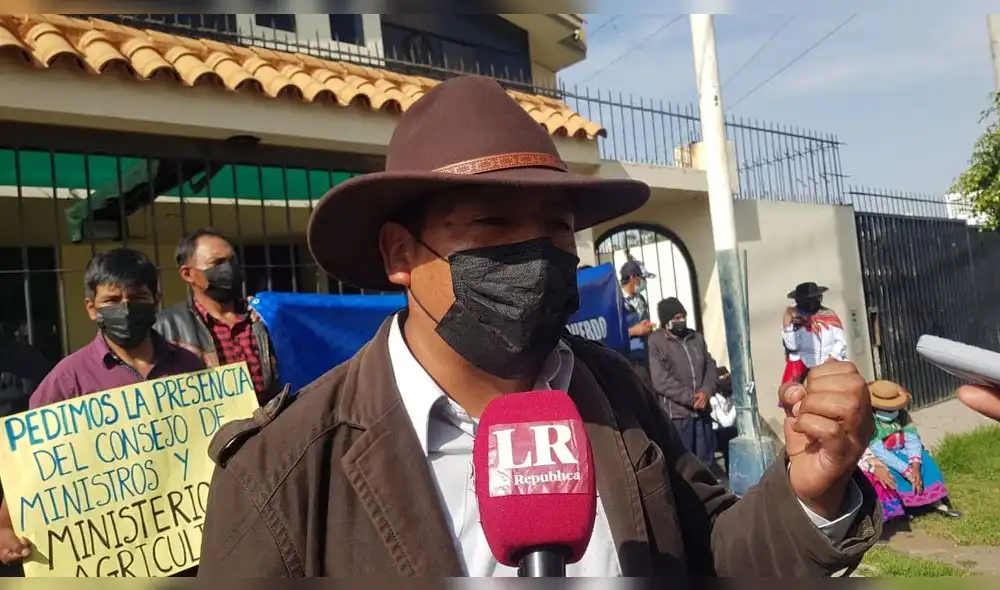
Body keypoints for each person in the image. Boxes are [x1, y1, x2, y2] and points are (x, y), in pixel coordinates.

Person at [197, 75, 880, 578]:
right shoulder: (280, 469)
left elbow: (716, 559)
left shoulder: (615, 391)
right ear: (400, 256)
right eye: (493, 224)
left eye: (556, 227)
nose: (537, 252)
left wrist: (808, 491)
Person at [0, 248, 204, 569]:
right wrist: (6, 526)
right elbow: (29, 462)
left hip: (185, 543)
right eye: (111, 300)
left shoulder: (188, 365)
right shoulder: (66, 380)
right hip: (110, 555)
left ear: (157, 300)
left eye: (137, 297)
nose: (125, 308)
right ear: (91, 308)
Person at [155, 229, 280, 406]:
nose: (228, 269)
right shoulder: (165, 328)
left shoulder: (260, 317)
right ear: (187, 274)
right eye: (217, 263)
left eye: (233, 261)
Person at [867, 380, 961, 520]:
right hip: (885, 457)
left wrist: (915, 464)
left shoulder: (903, 415)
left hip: (905, 451)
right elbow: (879, 450)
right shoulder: (870, 421)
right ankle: (907, 506)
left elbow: (912, 439)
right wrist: (906, 470)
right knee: (893, 473)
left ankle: (937, 502)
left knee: (926, 462)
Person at [647, 297, 718, 467]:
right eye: (676, 318)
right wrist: (691, 398)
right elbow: (660, 380)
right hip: (678, 417)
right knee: (684, 466)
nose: (681, 321)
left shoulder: (696, 338)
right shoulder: (656, 342)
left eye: (683, 316)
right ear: (666, 321)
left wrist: (706, 391)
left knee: (706, 463)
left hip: (702, 414)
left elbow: (710, 365)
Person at [781, 282, 847, 386]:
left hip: (832, 365)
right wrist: (787, 325)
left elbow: (841, 342)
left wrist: (832, 358)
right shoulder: (796, 322)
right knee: (793, 394)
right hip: (805, 370)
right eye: (806, 300)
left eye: (813, 298)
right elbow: (792, 347)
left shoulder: (829, 315)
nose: (810, 302)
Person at [620, 258, 656, 387]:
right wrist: (634, 331)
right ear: (632, 278)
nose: (644, 283)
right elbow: (610, 333)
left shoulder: (640, 299)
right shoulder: (615, 301)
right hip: (630, 361)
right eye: (642, 278)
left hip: (647, 357)